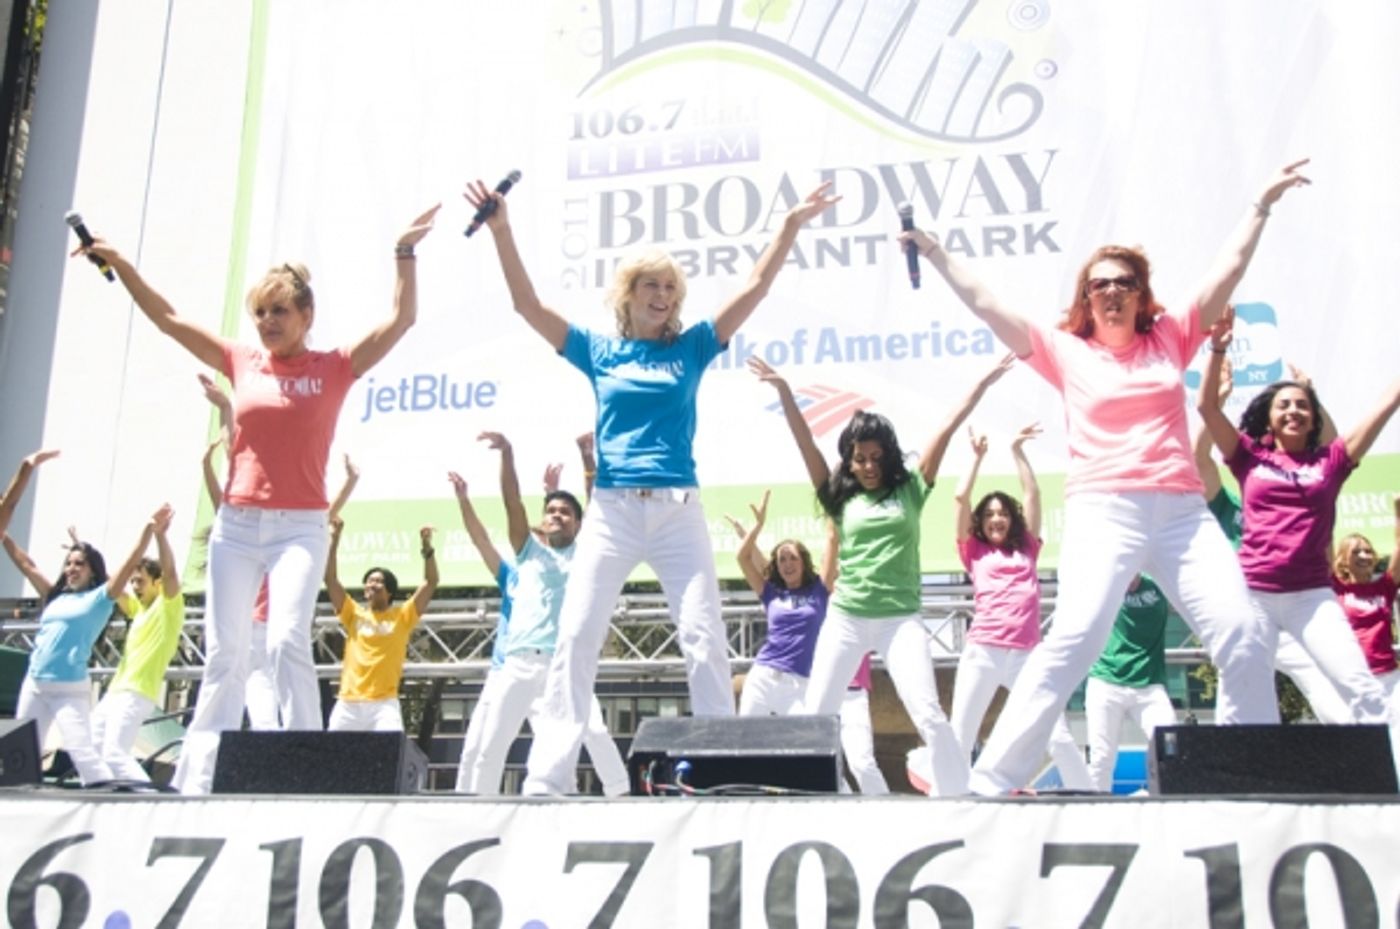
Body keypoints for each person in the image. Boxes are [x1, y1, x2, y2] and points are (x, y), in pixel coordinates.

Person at [904, 159, 1310, 794]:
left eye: (1123, 282)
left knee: (1242, 630)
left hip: (1180, 510)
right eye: (1099, 285)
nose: (1112, 291)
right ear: (1085, 299)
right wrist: (931, 248)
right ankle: (992, 781)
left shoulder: (1171, 338)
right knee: (1072, 639)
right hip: (1105, 509)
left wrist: (1259, 204)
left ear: (1141, 292)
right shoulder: (1065, 351)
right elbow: (986, 302)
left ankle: (1247, 773)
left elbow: (1226, 273)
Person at [466, 174, 841, 795]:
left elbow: (754, 287)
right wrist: (503, 230)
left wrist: (789, 227)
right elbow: (527, 307)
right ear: (628, 294)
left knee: (703, 635)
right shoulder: (598, 350)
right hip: (611, 513)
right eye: (651, 285)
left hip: (678, 512)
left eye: (671, 287)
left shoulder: (693, 347)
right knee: (578, 635)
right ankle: (547, 779)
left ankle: (723, 770)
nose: (663, 295)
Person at [81, 204, 440, 793]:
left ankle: (305, 768)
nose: (267, 321)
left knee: (285, 640)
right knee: (225, 652)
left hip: (301, 525)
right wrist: (119, 263)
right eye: (259, 312)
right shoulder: (241, 360)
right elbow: (169, 319)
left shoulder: (336, 366)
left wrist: (404, 252)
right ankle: (195, 778)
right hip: (238, 523)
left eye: (279, 310)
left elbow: (402, 320)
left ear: (306, 314)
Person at [751, 353, 1013, 796]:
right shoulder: (840, 498)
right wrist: (784, 394)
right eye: (860, 459)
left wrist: (982, 384)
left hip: (899, 620)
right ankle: (811, 798)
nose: (869, 466)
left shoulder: (911, 487)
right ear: (849, 462)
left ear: (888, 456)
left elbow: (946, 426)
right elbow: (806, 447)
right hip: (847, 618)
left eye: (876, 457)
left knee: (928, 712)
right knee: (817, 714)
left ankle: (959, 799)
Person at [1197, 324, 1400, 733]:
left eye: (1302, 406)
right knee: (1243, 693)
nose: (1293, 411)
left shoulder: (1333, 461)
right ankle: (1236, 785)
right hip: (1253, 593)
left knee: (1360, 687)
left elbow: (1385, 404)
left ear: (1313, 419)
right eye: (1284, 405)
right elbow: (1206, 409)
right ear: (1270, 419)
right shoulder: (1248, 456)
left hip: (1312, 598)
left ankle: (1390, 784)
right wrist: (1218, 349)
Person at [450, 433, 628, 796]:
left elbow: (598, 508)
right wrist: (508, 454)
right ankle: (480, 812)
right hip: (516, 664)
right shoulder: (527, 551)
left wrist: (587, 458)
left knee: (593, 731)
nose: (557, 515)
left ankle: (622, 795)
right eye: (551, 511)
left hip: (562, 663)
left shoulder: (585, 554)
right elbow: (511, 502)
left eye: (565, 512)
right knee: (490, 746)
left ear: (578, 524)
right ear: (542, 520)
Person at [199, 377, 362, 731]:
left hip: (276, 626)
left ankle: (301, 747)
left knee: (286, 647)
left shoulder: (295, 538)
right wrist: (225, 410)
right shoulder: (237, 532)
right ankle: (224, 760)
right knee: (259, 713)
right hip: (252, 629)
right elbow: (231, 477)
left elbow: (323, 516)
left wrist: (350, 484)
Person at [949, 423, 1091, 788]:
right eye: (990, 514)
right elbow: (960, 499)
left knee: (1056, 734)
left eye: (1003, 513)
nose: (997, 518)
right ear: (981, 523)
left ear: (1011, 519)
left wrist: (1017, 452)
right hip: (984, 651)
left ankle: (1088, 795)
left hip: (1027, 655)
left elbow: (1033, 494)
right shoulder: (974, 550)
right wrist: (975, 458)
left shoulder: (1027, 546)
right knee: (960, 735)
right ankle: (946, 800)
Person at [2, 461, 159, 785]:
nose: (71, 568)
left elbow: (129, 562)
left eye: (79, 564)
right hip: (35, 683)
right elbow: (25, 561)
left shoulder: (100, 598)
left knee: (83, 755)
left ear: (92, 570)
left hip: (68, 688)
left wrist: (147, 532)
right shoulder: (54, 595)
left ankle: (106, 807)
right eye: (69, 563)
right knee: (20, 755)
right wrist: (5, 530)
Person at [727, 495, 889, 793]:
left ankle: (844, 798)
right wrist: (756, 528)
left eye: (793, 558)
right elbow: (742, 557)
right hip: (763, 677)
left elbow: (831, 540)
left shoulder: (819, 591)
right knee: (745, 739)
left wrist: (834, 497)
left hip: (802, 684)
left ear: (803, 562)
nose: (787, 563)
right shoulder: (771, 593)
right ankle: (740, 800)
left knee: (813, 749)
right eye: (782, 559)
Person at [90, 505, 185, 782]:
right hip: (116, 690)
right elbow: (113, 584)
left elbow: (170, 572)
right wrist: (85, 556)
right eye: (133, 582)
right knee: (90, 750)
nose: (135, 586)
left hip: (137, 692)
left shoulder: (168, 606)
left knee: (114, 753)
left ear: (156, 582)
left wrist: (160, 536)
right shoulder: (138, 609)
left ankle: (148, 803)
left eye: (140, 581)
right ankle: (102, 801)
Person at [323, 521, 437, 731]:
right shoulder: (353, 613)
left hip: (384, 705)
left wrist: (427, 547)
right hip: (348, 703)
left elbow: (430, 582)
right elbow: (330, 579)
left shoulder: (403, 615)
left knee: (390, 757)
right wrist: (334, 539)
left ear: (390, 591)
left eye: (377, 581)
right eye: (368, 581)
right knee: (333, 759)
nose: (371, 585)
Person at [1083, 574, 1177, 792]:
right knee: (1101, 758)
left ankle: (1173, 807)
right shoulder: (1104, 584)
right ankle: (1096, 814)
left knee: (1171, 748)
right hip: (1106, 681)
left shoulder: (1159, 581)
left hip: (1149, 686)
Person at [1331, 504, 1400, 701]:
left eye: (1368, 551)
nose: (1364, 556)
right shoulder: (1335, 588)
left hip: (1389, 676)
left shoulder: (1384, 587)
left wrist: (1398, 512)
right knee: (1360, 731)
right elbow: (1324, 543)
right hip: (1351, 678)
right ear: (1343, 560)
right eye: (1356, 552)